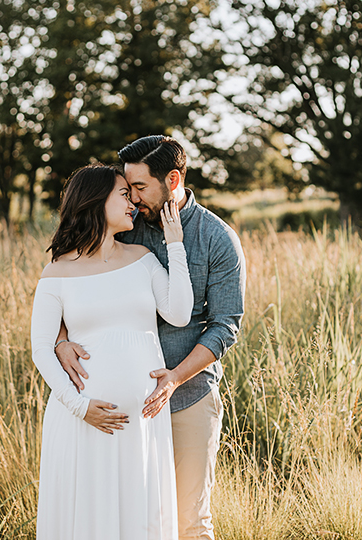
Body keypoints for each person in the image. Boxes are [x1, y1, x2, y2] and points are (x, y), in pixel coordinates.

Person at [56, 136, 246, 540]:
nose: (132, 197)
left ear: (172, 179)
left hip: (187, 399)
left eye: (140, 188)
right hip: (124, 406)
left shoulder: (217, 238)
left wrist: (175, 376)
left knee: (189, 522)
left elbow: (225, 324)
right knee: (133, 522)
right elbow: (71, 277)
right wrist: (59, 337)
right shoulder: (124, 225)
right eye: (127, 188)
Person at [31, 163, 193, 540]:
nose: (133, 202)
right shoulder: (57, 272)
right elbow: (41, 349)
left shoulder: (143, 258)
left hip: (142, 421)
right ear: (95, 200)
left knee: (139, 517)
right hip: (83, 419)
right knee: (87, 519)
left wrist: (175, 243)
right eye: (123, 194)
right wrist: (80, 406)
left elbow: (180, 313)